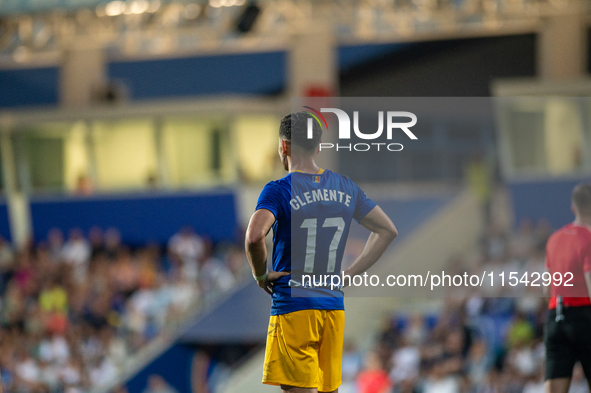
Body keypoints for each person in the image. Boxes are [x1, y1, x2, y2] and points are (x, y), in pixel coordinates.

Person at [245, 112, 397, 393]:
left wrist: (260, 274)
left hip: (293, 306)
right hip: (332, 308)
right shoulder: (345, 186)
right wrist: (348, 274)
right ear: (317, 147)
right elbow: (387, 231)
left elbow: (254, 237)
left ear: (283, 146)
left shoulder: (279, 189)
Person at [544, 183, 591, 393]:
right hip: (584, 316)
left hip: (556, 317)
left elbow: (547, 289)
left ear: (573, 208)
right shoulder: (589, 238)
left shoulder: (554, 239)